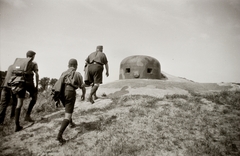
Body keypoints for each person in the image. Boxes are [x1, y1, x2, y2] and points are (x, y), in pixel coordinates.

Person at [56, 59, 86, 144]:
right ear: (76, 66)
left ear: (68, 65)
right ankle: (59, 136)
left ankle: (71, 123)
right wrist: (83, 95)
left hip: (61, 94)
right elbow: (82, 87)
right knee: (67, 116)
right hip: (69, 93)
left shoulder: (63, 73)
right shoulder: (77, 74)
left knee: (68, 108)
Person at [14, 50, 39, 132]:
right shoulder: (33, 63)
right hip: (28, 83)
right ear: (33, 56)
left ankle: (16, 125)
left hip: (19, 83)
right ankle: (27, 116)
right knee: (34, 97)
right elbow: (37, 74)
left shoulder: (21, 63)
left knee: (19, 103)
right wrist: (36, 86)